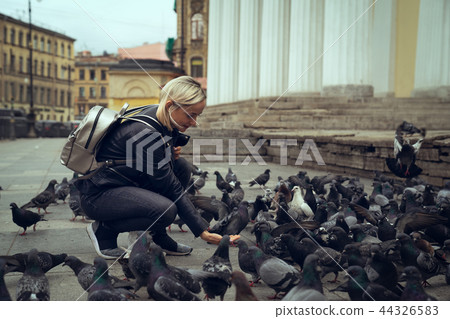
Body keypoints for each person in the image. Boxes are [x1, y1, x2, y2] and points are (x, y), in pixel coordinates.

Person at [75, 76, 240, 259]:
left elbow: (155, 166)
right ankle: (104, 230)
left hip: (122, 183)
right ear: (170, 106)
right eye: (190, 115)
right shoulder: (146, 132)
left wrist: (168, 154)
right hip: (98, 197)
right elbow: (170, 186)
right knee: (166, 209)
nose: (194, 122)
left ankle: (157, 236)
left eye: (197, 116)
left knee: (182, 167)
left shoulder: (160, 117)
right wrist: (203, 231)